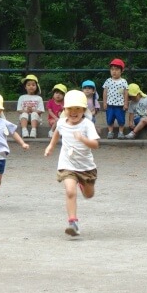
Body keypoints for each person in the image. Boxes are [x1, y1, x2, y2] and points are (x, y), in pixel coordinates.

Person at [44, 90, 100, 237]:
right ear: (65, 109)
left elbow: (95, 144)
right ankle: (73, 223)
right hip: (67, 164)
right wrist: (50, 146)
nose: (73, 112)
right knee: (70, 191)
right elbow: (57, 133)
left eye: (78, 109)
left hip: (86, 167)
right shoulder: (61, 122)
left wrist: (82, 139)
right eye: (70, 109)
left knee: (89, 195)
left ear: (83, 110)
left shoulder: (87, 124)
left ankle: (83, 184)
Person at [101, 58, 128, 139]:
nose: (114, 71)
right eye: (112, 69)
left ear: (121, 71)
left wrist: (126, 103)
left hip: (120, 105)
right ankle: (110, 132)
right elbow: (105, 92)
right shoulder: (108, 81)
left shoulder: (123, 81)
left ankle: (120, 132)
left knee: (121, 119)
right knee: (109, 119)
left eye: (116, 69)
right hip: (110, 104)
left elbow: (126, 93)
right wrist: (104, 102)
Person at [17, 74, 44, 138]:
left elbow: (41, 110)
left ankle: (33, 130)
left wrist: (33, 110)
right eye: (28, 85)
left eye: (33, 85)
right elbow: (19, 110)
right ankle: (24, 130)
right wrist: (26, 111)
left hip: (36, 117)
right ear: (25, 87)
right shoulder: (22, 97)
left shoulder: (39, 98)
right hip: (25, 116)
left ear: (36, 86)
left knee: (34, 114)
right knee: (24, 114)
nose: (31, 86)